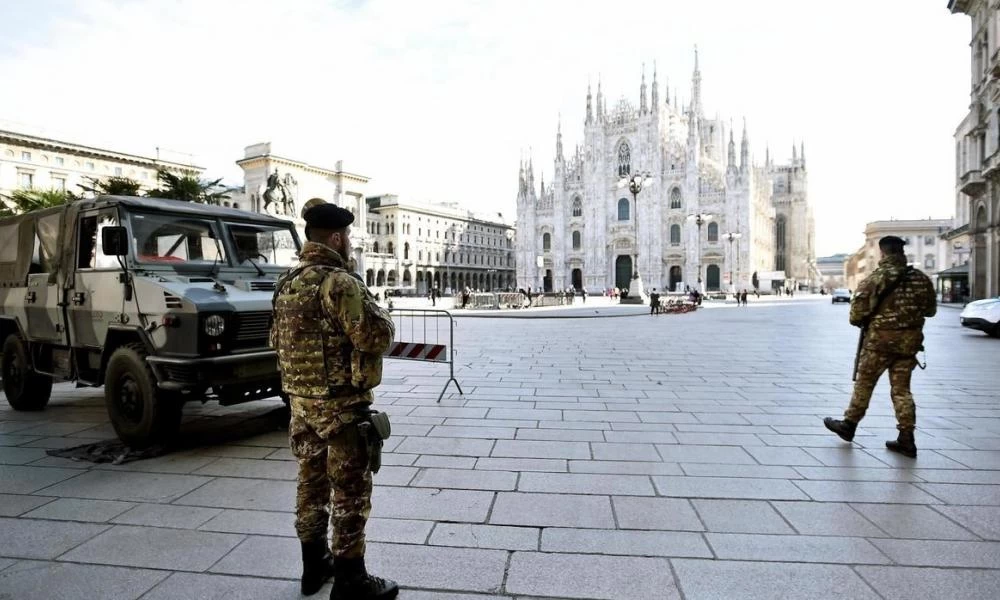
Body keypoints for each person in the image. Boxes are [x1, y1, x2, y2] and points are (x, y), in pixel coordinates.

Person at [271, 203, 399, 599]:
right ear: (337, 238)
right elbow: (375, 337)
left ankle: (314, 567)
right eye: (349, 239)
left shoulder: (287, 282)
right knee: (349, 491)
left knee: (309, 485)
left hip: (300, 406)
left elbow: (277, 342)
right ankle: (350, 581)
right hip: (341, 409)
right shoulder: (339, 283)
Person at [823, 235, 936, 458]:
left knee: (865, 384)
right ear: (902, 252)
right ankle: (907, 438)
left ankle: (849, 425)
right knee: (902, 390)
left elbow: (856, 315)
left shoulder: (875, 279)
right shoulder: (920, 279)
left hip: (879, 344)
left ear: (883, 253)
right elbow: (930, 310)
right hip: (908, 345)